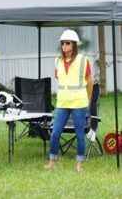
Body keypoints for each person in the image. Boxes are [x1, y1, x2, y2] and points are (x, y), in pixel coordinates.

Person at [45, 29, 93, 172]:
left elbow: (90, 82)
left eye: (67, 43)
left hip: (79, 103)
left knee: (79, 134)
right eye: (62, 43)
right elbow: (60, 80)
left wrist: (87, 99)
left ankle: (79, 165)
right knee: (55, 133)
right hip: (63, 103)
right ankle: (52, 162)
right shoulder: (57, 61)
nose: (64, 45)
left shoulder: (84, 60)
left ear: (74, 45)